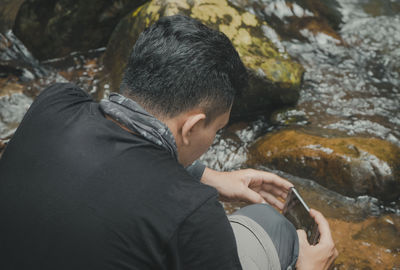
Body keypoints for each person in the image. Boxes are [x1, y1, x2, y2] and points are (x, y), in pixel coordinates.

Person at [0, 15, 337, 269]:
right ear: (192, 125)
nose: (214, 138)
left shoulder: (55, 103)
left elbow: (108, 171)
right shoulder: (192, 213)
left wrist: (209, 176)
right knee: (274, 226)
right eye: (216, 130)